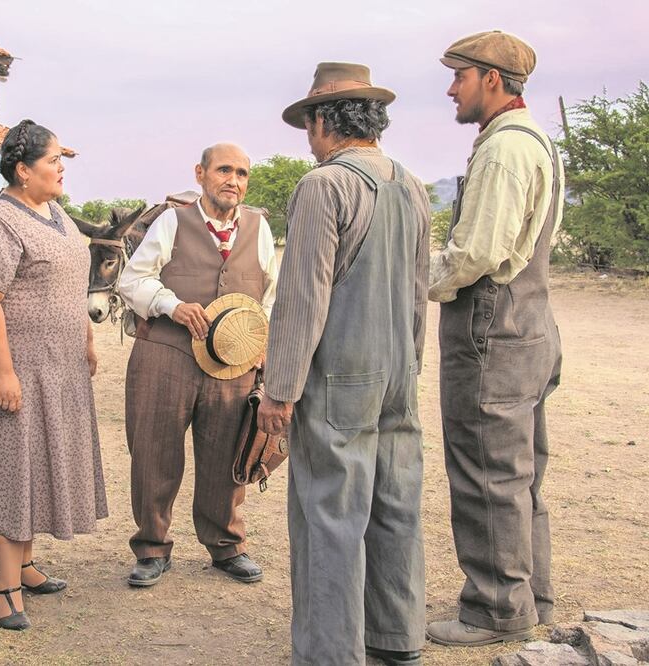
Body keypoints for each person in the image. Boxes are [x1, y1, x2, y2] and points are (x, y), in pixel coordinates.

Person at [258, 63, 431, 666]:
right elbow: (417, 292)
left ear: (324, 120)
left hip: (337, 379)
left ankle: (331, 654)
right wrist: (410, 365)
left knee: (330, 516)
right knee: (396, 506)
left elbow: (303, 301)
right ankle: (396, 637)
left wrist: (278, 390)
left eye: (309, 125)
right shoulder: (411, 185)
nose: (309, 139)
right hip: (397, 375)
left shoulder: (323, 186)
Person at [425, 31, 564, 647]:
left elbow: (476, 253)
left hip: (493, 329)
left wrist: (413, 276)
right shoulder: (537, 140)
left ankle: (494, 609)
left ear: (491, 79)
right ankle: (531, 596)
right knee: (519, 473)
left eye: (460, 76)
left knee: (486, 473)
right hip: (530, 327)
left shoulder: (505, 149)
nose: (451, 88)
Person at [0, 119, 107, 631]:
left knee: (39, 465)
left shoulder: (57, 213)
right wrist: (2, 372)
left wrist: (86, 340)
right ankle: (4, 586)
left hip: (59, 369)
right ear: (22, 171)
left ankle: (25, 563)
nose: (61, 168)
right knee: (12, 471)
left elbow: (69, 286)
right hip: (19, 367)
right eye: (52, 161)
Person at [117, 142, 278, 587]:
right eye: (224, 170)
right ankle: (151, 547)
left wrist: (262, 339)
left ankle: (227, 546)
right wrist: (171, 305)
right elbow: (133, 280)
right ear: (200, 174)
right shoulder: (172, 221)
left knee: (228, 453)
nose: (234, 180)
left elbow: (273, 295)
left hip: (233, 363)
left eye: (242, 173)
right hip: (166, 355)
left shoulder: (259, 228)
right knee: (153, 452)